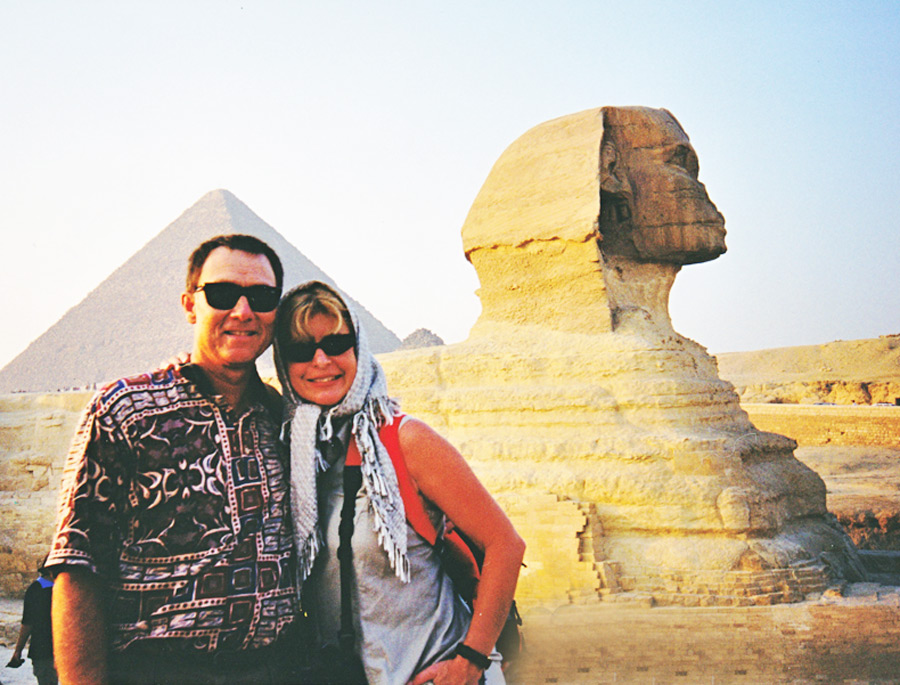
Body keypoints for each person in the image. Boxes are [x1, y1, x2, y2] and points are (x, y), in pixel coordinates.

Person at [45, 234, 298, 685]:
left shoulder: (284, 420)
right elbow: (78, 566)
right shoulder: (125, 411)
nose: (243, 311)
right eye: (222, 294)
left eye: (261, 297)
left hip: (277, 668)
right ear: (189, 305)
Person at [273, 281, 526, 685]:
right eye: (302, 350)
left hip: (436, 671)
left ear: (359, 347)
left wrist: (471, 661)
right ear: (283, 364)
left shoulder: (403, 440)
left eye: (337, 344)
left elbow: (505, 544)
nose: (321, 360)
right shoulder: (295, 452)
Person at [8, 558, 58, 685]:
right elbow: (27, 623)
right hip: (47, 652)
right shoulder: (41, 590)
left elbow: (27, 624)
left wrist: (18, 651)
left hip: (44, 651)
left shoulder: (36, 588)